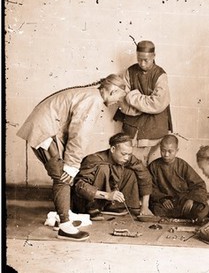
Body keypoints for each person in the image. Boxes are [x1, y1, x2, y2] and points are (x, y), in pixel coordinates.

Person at [17, 74, 127, 241]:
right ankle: (65, 227)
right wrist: (72, 163)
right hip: (45, 131)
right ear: (112, 91)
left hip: (44, 128)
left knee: (63, 175)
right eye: (119, 98)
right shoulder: (94, 100)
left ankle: (64, 215)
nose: (117, 103)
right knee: (63, 176)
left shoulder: (91, 94)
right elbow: (79, 133)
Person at [114, 40, 173, 165]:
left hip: (155, 129)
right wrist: (142, 106)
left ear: (154, 56)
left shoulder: (160, 75)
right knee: (132, 164)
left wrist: (133, 96)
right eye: (139, 59)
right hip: (132, 128)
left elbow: (157, 104)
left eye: (146, 60)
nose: (142, 63)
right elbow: (122, 100)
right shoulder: (129, 72)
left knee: (152, 166)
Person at [71, 132, 154, 218]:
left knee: (131, 172)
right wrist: (107, 195)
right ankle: (94, 209)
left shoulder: (128, 159)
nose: (126, 158)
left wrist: (145, 206)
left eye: (129, 154)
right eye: (123, 154)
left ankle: (120, 207)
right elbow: (79, 186)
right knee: (104, 168)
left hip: (108, 201)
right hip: (87, 203)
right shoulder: (93, 159)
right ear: (113, 149)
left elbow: (145, 175)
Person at [148, 135, 209, 221]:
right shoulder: (154, 166)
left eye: (170, 151)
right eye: (163, 151)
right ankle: (184, 217)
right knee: (156, 209)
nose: (166, 154)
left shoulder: (182, 165)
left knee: (202, 209)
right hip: (166, 203)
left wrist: (191, 199)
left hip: (183, 201)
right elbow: (149, 187)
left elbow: (199, 185)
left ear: (177, 151)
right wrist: (162, 199)